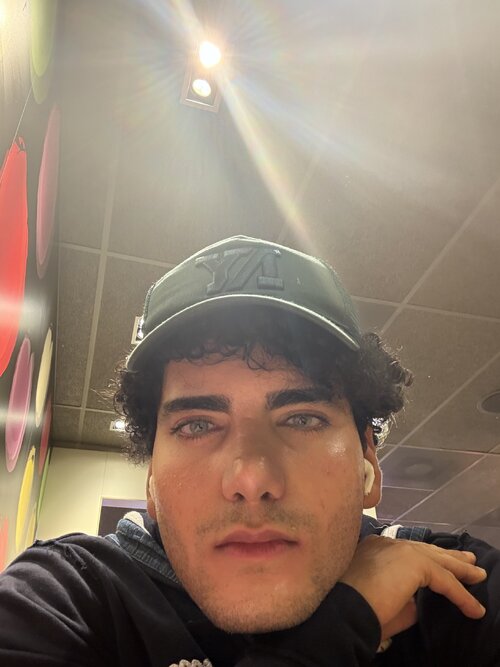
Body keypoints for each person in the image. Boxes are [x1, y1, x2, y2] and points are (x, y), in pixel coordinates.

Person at [1, 235, 499, 666]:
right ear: (151, 481)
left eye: (302, 419)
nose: (251, 478)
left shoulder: (459, 589)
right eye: (197, 425)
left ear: (368, 460)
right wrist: (344, 624)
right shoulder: (63, 599)